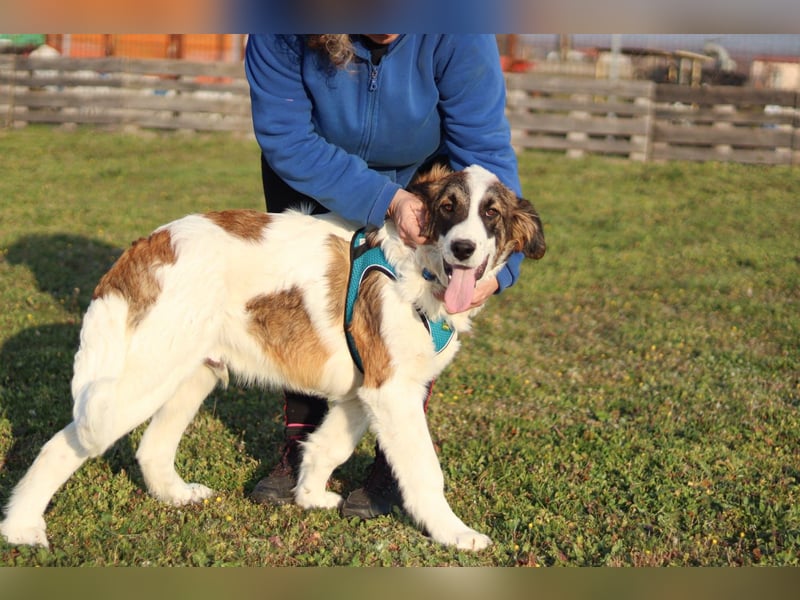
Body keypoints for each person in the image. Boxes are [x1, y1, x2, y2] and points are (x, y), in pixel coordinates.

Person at [244, 34, 524, 519]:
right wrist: (385, 201)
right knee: (307, 308)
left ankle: (389, 465)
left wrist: (498, 269)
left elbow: (486, 151)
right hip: (312, 170)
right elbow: (285, 134)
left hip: (419, 178)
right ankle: (304, 449)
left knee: (408, 323)